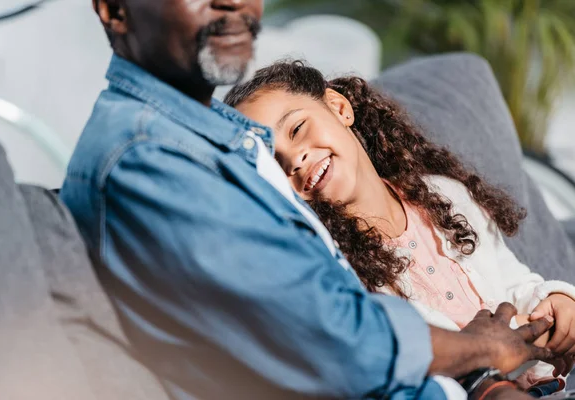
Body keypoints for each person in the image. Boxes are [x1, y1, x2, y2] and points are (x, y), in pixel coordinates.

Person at [61, 1, 554, 398]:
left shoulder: (215, 139)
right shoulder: (151, 160)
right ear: (114, 10)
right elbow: (343, 343)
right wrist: (479, 352)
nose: (230, 4)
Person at [224, 60, 575, 391]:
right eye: (273, 163)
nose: (295, 159)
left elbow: (516, 282)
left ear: (338, 107)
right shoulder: (337, 271)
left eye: (297, 128)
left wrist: (556, 300)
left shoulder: (446, 195)